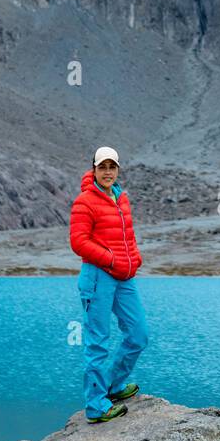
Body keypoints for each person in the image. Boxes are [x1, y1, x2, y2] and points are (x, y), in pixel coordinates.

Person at [69, 146, 149, 423]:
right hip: (98, 277)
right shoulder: (84, 201)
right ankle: (95, 406)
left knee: (139, 334)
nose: (107, 172)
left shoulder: (120, 197)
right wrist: (111, 259)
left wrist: (134, 259)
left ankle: (113, 386)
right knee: (98, 343)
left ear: (117, 170)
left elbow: (128, 234)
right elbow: (78, 242)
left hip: (124, 277)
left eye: (111, 167)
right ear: (93, 170)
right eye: (102, 167)